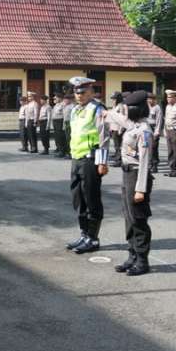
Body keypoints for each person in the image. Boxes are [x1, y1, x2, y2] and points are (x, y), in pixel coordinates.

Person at [101, 91, 154, 276]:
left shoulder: (144, 130)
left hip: (138, 176)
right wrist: (107, 112)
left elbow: (145, 162)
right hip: (127, 174)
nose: (127, 110)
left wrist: (140, 189)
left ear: (138, 109)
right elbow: (121, 119)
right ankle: (131, 255)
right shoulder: (133, 125)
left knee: (138, 219)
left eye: (130, 108)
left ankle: (142, 260)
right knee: (129, 218)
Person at [64, 77, 107, 254]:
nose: (79, 95)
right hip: (77, 158)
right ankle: (84, 234)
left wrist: (102, 162)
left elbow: (104, 137)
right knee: (78, 198)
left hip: (91, 158)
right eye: (76, 92)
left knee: (91, 198)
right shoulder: (75, 110)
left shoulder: (97, 109)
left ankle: (93, 238)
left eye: (83, 92)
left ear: (91, 92)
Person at [163, 89, 176, 177]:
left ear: (175, 97)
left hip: (175, 131)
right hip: (168, 130)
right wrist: (164, 130)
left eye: (170, 97)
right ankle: (172, 169)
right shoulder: (168, 106)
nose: (168, 99)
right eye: (167, 97)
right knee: (170, 151)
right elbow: (166, 119)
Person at [108, 91, 127, 167]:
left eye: (114, 99)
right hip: (113, 128)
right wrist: (110, 127)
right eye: (112, 99)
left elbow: (123, 119)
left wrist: (121, 129)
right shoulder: (114, 106)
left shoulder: (121, 106)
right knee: (116, 146)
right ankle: (118, 159)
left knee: (119, 146)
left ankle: (119, 160)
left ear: (118, 99)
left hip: (118, 129)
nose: (113, 100)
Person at [146, 92, 163, 172]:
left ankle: (154, 164)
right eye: (148, 99)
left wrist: (157, 132)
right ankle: (149, 164)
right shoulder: (146, 107)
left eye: (151, 99)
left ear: (154, 100)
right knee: (147, 147)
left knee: (154, 148)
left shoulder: (157, 108)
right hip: (147, 128)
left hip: (154, 128)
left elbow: (159, 120)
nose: (150, 101)